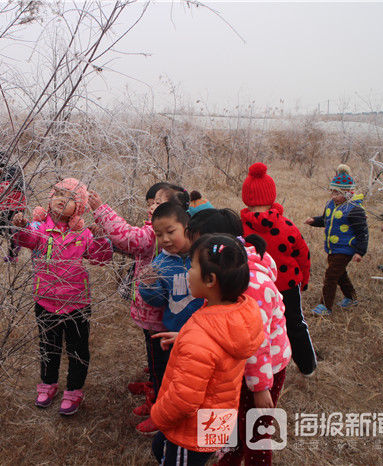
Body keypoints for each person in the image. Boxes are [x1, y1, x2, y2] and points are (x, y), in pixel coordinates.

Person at [180, 207, 291, 466]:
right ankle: (230, 455)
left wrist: (261, 387)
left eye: (199, 249)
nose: (192, 259)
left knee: (256, 429)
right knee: (234, 417)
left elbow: (257, 341)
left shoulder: (251, 285)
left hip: (265, 368)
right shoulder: (228, 274)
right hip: (240, 365)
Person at [150, 234, 264, 466]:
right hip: (216, 418)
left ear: (210, 279)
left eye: (191, 266)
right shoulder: (240, 312)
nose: (188, 272)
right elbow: (216, 349)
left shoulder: (201, 337)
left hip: (189, 432)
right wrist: (184, 337)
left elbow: (184, 400)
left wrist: (157, 416)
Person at [88, 183, 188, 435]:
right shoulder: (158, 231)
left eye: (160, 203)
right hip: (152, 314)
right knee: (155, 357)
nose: (152, 206)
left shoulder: (155, 234)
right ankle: (153, 386)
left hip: (157, 316)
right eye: (152, 202)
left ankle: (158, 404)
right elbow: (127, 245)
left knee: (160, 362)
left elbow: (128, 238)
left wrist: (100, 209)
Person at [12, 178, 112, 415]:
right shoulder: (38, 229)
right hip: (45, 300)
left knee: (77, 349)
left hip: (77, 303)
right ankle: (48, 383)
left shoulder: (83, 234)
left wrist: (99, 238)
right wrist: (20, 227)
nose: (61, 200)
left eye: (69, 198)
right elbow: (26, 239)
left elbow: (100, 258)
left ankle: (74, 389)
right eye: (58, 194)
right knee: (49, 346)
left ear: (78, 208)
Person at [239, 162, 317, 376]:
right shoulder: (288, 226)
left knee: (256, 329)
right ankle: (307, 366)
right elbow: (304, 256)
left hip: (252, 289)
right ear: (272, 196)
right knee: (295, 324)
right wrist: (305, 281)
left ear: (246, 197)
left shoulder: (239, 229)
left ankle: (259, 370)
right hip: (287, 286)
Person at [135, 200, 204, 434]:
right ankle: (164, 416)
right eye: (158, 234)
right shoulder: (160, 263)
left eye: (170, 232)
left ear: (186, 227)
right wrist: (148, 287)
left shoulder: (202, 254)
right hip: (173, 334)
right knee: (171, 377)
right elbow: (159, 300)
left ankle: (201, 422)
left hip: (203, 334)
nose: (164, 239)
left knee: (199, 379)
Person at [304, 164, 368, 316]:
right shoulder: (331, 205)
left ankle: (325, 306)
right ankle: (351, 297)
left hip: (346, 248)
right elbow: (326, 220)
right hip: (333, 247)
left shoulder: (354, 209)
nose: (333, 195)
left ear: (348, 193)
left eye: (337, 193)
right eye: (332, 191)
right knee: (340, 273)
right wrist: (314, 220)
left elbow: (362, 233)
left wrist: (360, 252)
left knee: (331, 275)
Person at [0, 154, 27, 262]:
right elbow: (3, 190)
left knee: (1, 227)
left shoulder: (11, 172)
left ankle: (15, 246)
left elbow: (18, 188)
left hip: (14, 207)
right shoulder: (5, 174)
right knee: (3, 228)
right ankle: (14, 250)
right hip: (9, 207)